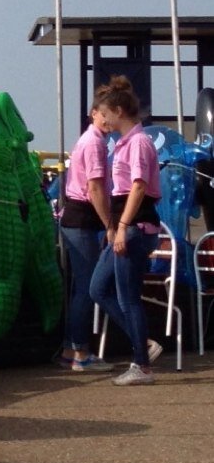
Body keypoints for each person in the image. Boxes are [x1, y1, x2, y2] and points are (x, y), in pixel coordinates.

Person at [89, 76, 164, 386]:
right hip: (125, 226)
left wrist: (121, 227)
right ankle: (143, 344)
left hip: (135, 227)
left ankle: (141, 363)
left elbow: (139, 186)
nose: (102, 118)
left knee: (128, 297)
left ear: (118, 111)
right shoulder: (123, 144)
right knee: (99, 288)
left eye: (105, 112)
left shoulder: (139, 143)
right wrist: (114, 226)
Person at [58, 90, 113, 372]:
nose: (108, 120)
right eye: (104, 114)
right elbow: (95, 188)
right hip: (82, 219)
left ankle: (71, 349)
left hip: (77, 219)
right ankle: (80, 352)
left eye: (111, 115)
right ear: (94, 113)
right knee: (88, 288)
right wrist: (110, 225)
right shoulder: (94, 144)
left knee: (83, 287)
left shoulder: (91, 141)